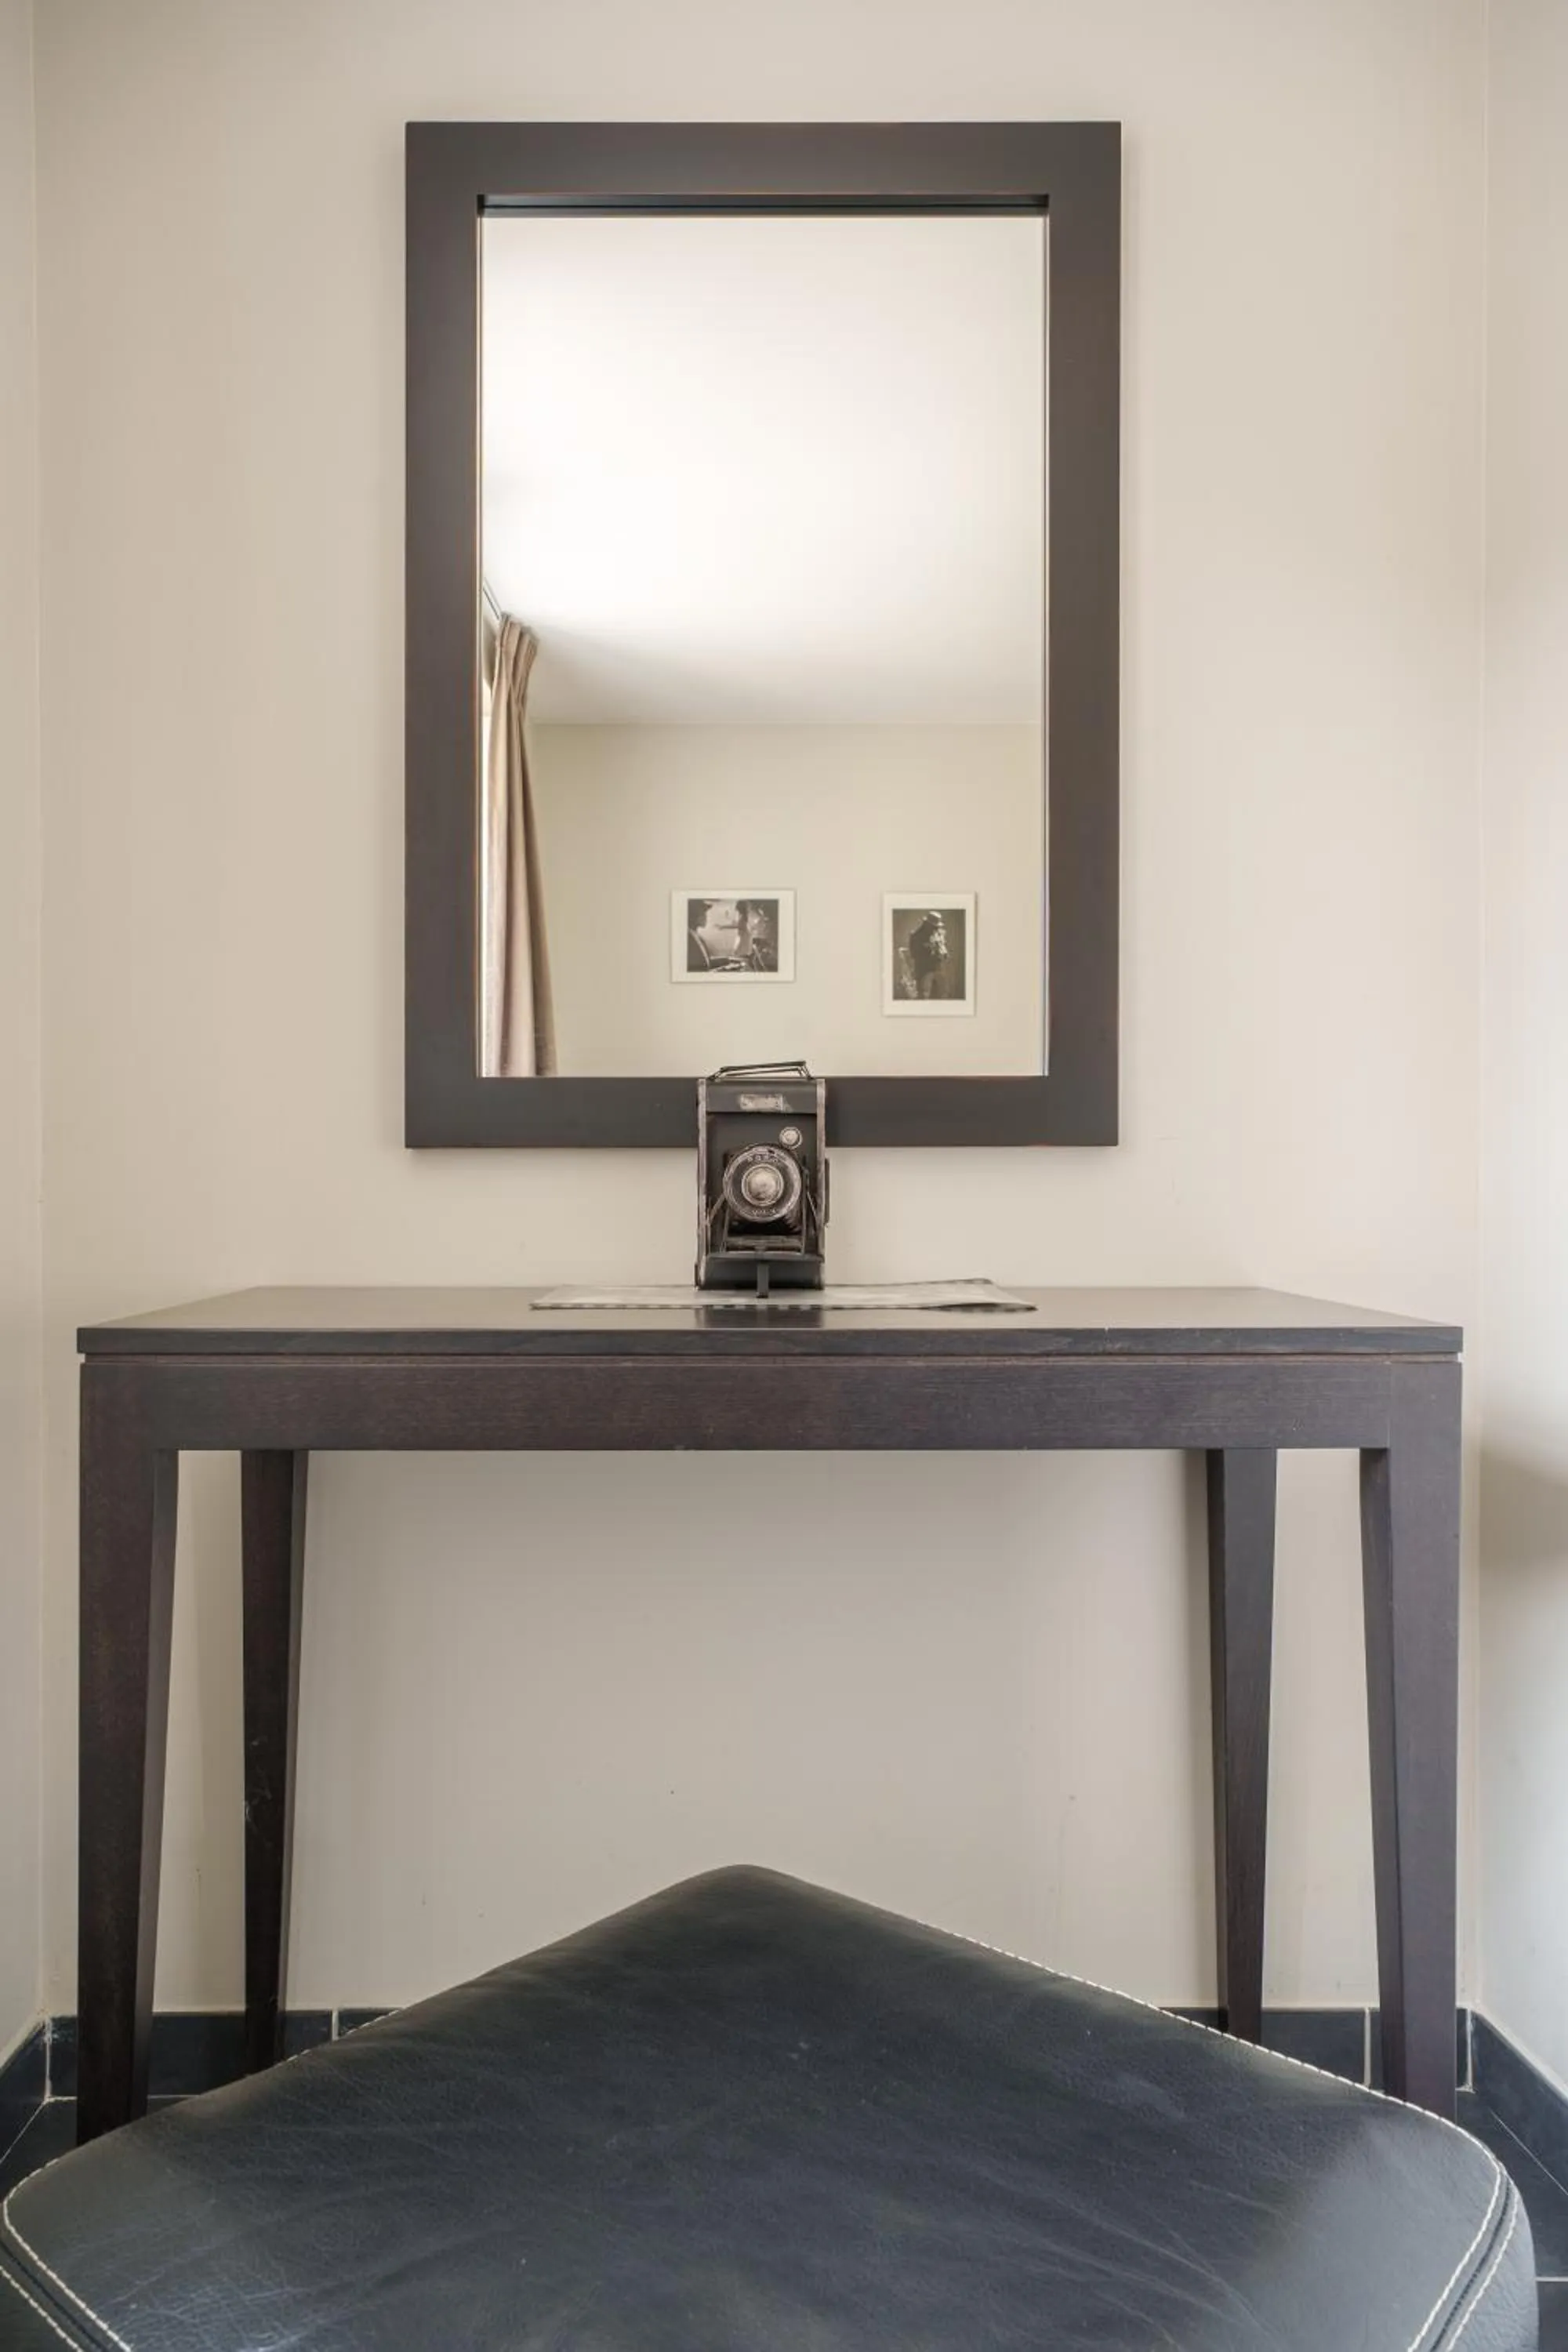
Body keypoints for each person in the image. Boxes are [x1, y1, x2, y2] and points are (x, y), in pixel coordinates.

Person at [896, 909, 956, 1000]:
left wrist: (943, 952)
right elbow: (914, 955)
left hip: (937, 971)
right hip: (923, 972)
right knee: (923, 997)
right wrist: (931, 951)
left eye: (937, 927)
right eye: (934, 927)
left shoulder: (937, 933)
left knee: (938, 996)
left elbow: (943, 949)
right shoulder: (916, 936)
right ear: (927, 924)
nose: (936, 929)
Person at [687, 898, 745, 972]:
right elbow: (698, 971)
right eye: (703, 913)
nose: (706, 916)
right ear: (693, 916)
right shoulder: (689, 940)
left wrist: (729, 960)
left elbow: (707, 962)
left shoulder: (698, 938)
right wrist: (725, 970)